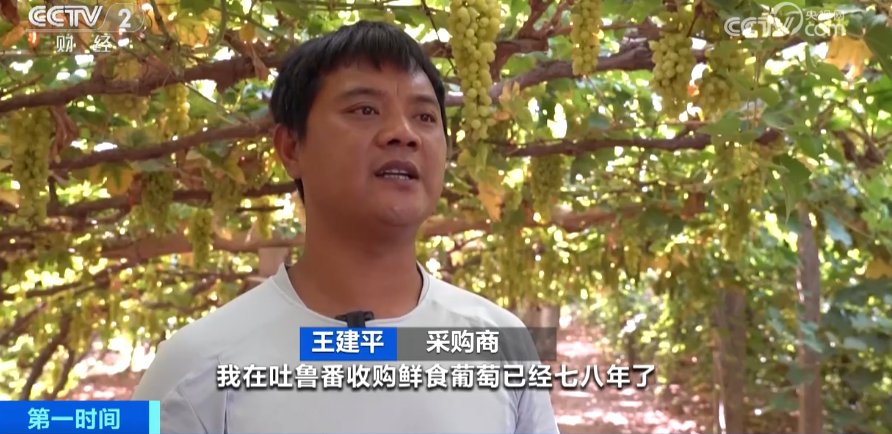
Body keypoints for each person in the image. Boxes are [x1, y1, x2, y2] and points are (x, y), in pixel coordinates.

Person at [131, 20, 559, 434]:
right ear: (291, 148)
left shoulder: (502, 345)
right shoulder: (193, 371)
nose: (403, 134)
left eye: (425, 117)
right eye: (365, 110)